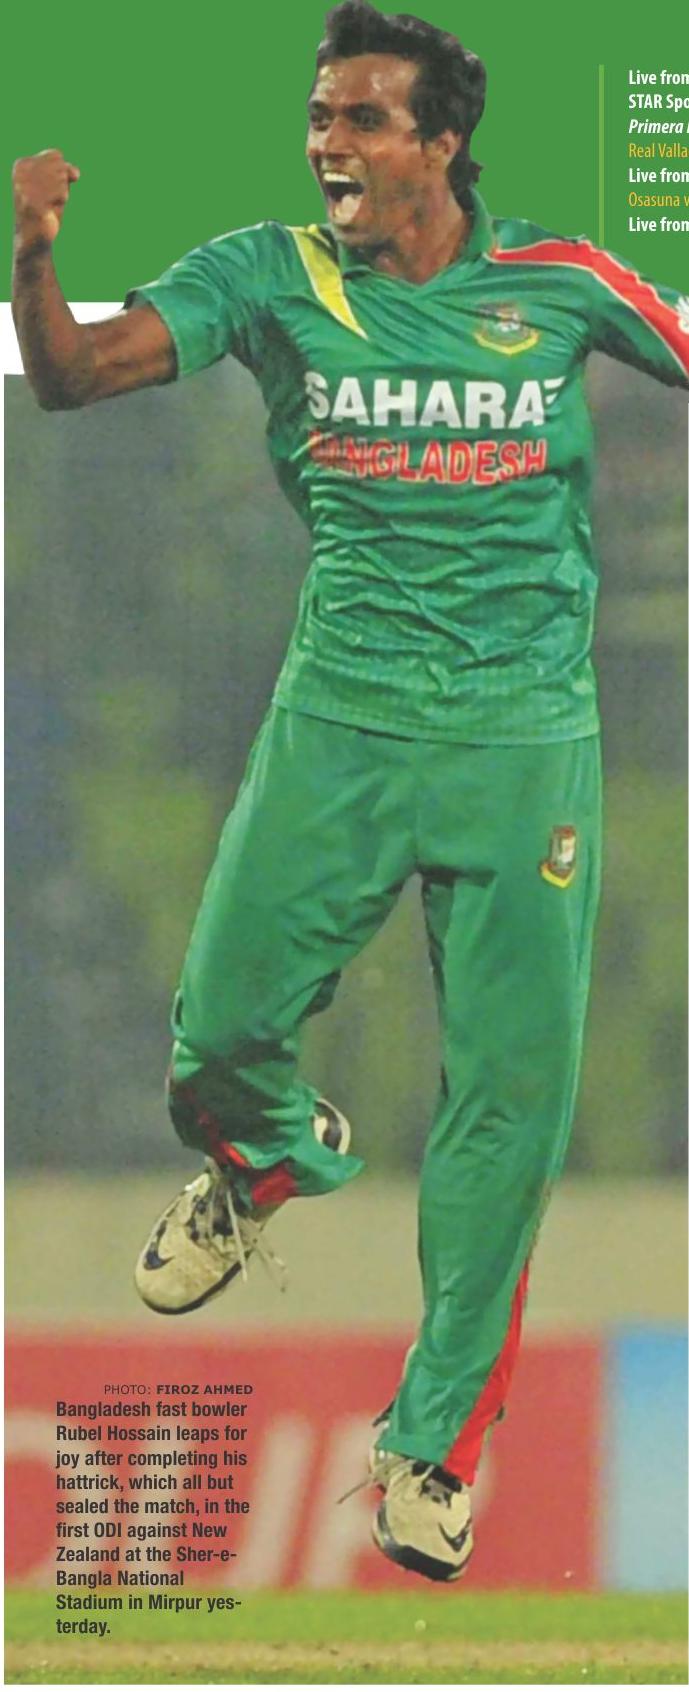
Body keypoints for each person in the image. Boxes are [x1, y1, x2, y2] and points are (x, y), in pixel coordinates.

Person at [12, 0, 688, 1586]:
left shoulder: (559, 282)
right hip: (343, 723)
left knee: (505, 1106)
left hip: (523, 739)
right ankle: (259, 1159)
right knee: (214, 1034)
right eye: (319, 117)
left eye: (362, 119)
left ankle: (430, 1455)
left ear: (438, 144)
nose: (327, 143)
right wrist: (34, 257)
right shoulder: (268, 276)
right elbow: (72, 379)